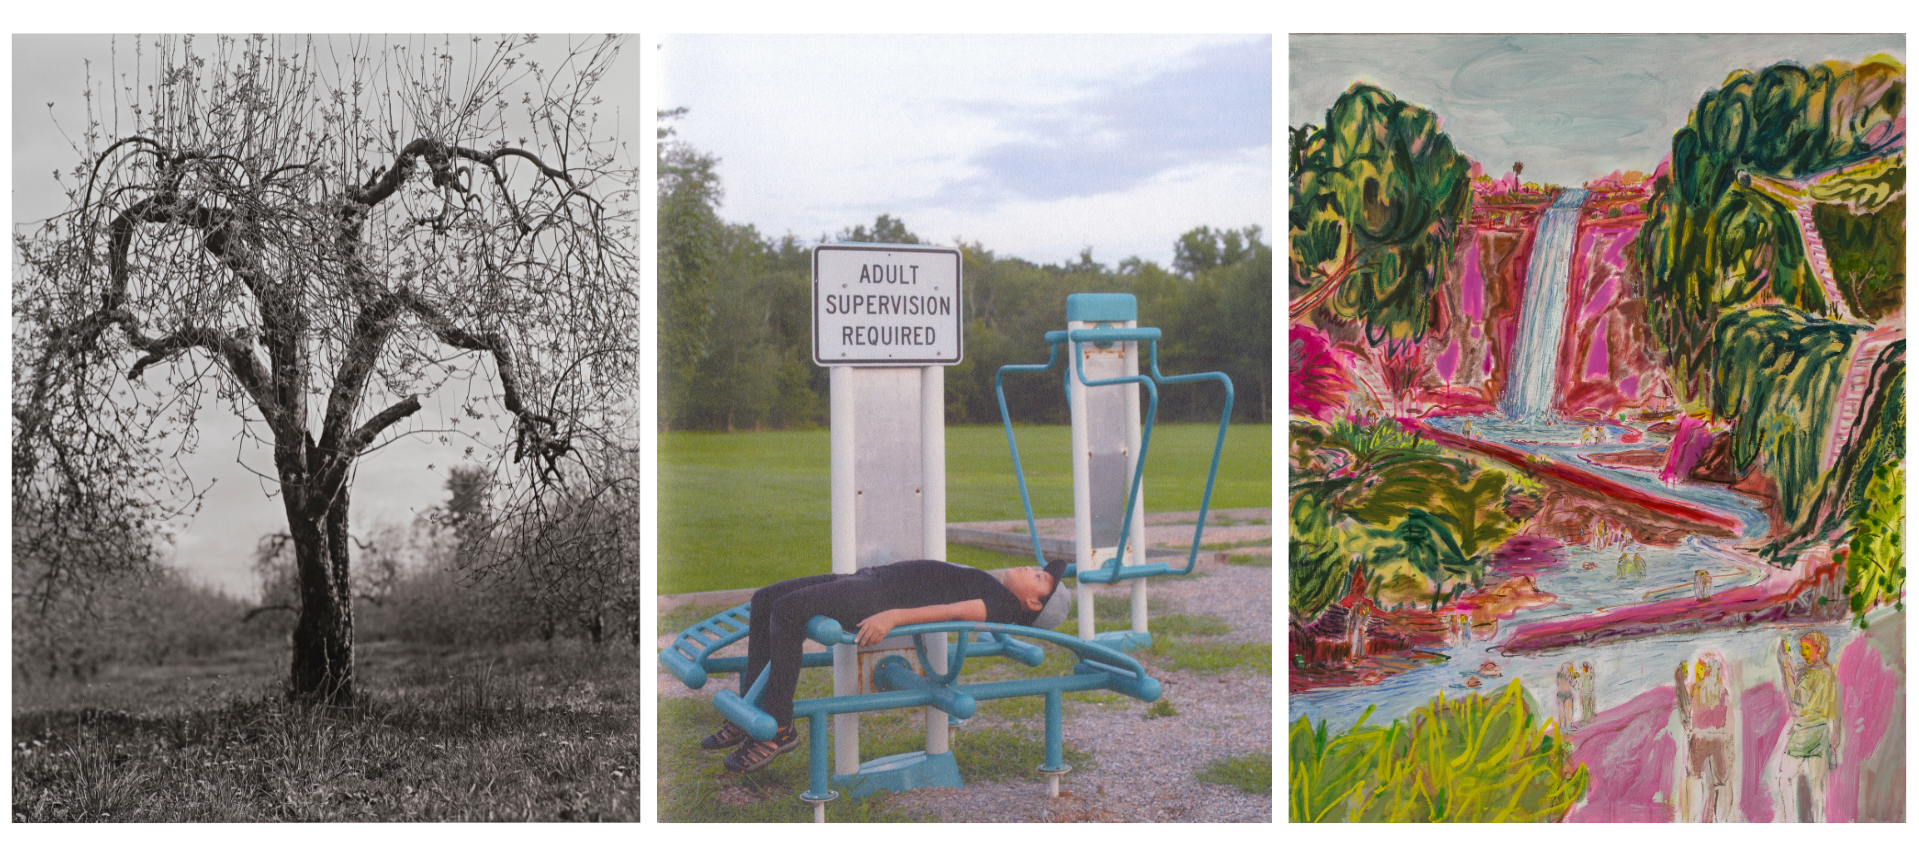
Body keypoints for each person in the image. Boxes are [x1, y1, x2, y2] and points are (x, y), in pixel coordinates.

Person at [701, 559, 1069, 772]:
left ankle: (778, 726)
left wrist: (893, 616)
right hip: (873, 580)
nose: (1029, 568)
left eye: (1038, 577)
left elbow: (948, 613)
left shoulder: (1002, 605)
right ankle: (750, 711)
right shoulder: (997, 589)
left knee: (785, 609)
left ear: (1034, 604)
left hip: (880, 596)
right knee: (765, 599)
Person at [1775, 631, 1840, 821]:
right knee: (1817, 787)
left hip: (1804, 733)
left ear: (1818, 650)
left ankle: (1789, 821)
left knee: (1785, 778)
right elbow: (1834, 713)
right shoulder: (1829, 674)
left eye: (1806, 649)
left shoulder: (1807, 674)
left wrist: (1785, 665)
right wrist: (1833, 747)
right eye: (1801, 649)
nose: (1802, 654)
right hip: (1822, 734)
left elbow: (1796, 704)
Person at [1675, 653, 1734, 822]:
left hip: (1699, 738)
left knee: (1695, 779)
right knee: (1721, 782)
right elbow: (1729, 723)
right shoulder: (1723, 692)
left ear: (1707, 671)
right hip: (1719, 739)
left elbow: (1686, 714)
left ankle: (1692, 820)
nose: (1698, 672)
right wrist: (1729, 746)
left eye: (1701, 669)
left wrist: (1680, 681)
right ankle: (1722, 821)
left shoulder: (1697, 689)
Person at [1556, 662, 1578, 732]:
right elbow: (1573, 685)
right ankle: (1568, 727)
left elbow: (1558, 684)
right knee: (1568, 711)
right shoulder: (1570, 675)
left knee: (1561, 711)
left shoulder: (1559, 675)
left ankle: (1562, 727)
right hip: (1567, 694)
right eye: (1571, 668)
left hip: (1560, 694)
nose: (1572, 669)